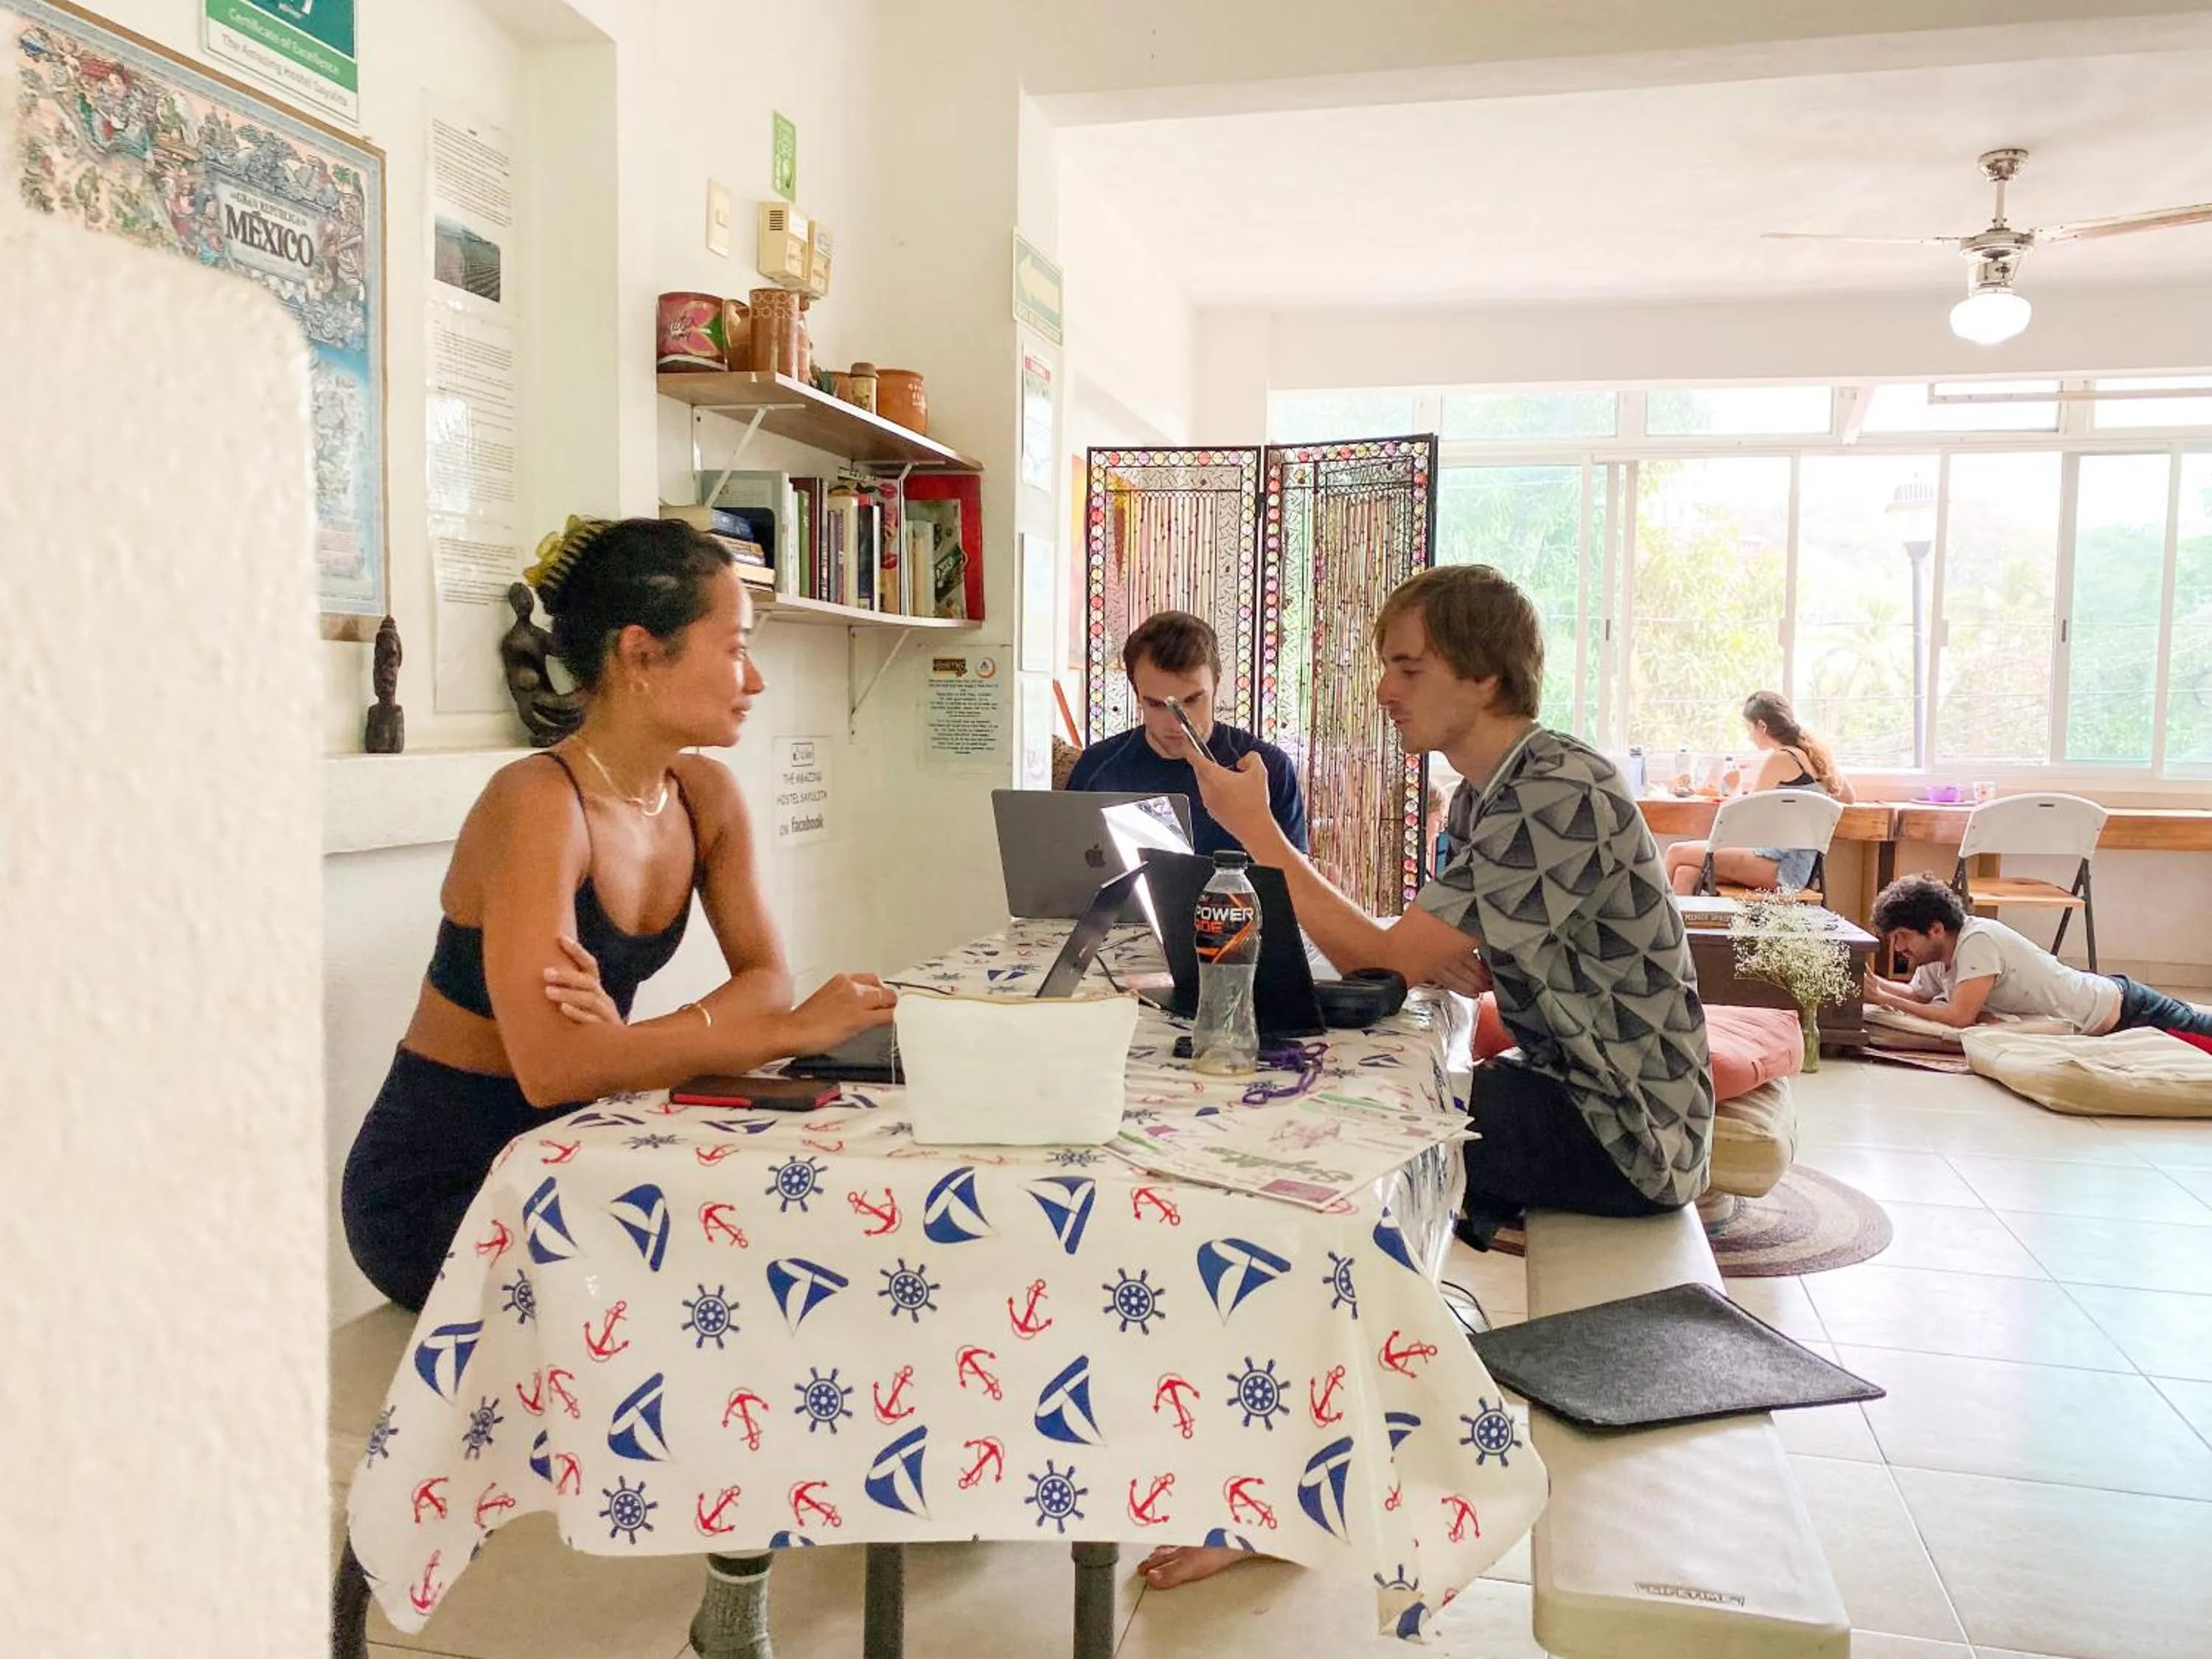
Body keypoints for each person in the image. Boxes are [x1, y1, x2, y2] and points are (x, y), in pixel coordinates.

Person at [1141, 563, 1714, 1593]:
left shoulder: (1556, 790)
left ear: (1484, 676)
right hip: (1567, 1089)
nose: (1384, 690)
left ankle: (1293, 1482)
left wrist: (1260, 833)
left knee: (1336, 1180)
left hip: (1629, 1134)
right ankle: (1338, 1412)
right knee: (1357, 1142)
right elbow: (1421, 950)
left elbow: (1383, 959)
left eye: (1409, 667)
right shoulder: (1491, 792)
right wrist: (1422, 952)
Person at [341, 515, 898, 1314]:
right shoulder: (536, 802)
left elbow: (767, 981)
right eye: (735, 648)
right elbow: (553, 1069)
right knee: (714, 1291)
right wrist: (789, 1035)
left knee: (799, 1246)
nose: (755, 680)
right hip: (448, 1181)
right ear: (640, 655)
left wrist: (622, 1049)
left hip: (583, 1142)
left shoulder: (705, 796)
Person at [1065, 610, 1307, 857]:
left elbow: (1296, 880)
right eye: (1156, 704)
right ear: (1136, 693)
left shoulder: (1266, 771)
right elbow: (1065, 867)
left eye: (1192, 701)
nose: (1176, 723)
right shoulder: (1096, 767)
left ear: (1216, 683)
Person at [1865, 874, 2212, 1036]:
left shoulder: (1978, 941)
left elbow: (1959, 1017)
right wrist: (1871, 984)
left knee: (2202, 1033)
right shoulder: (1937, 957)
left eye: (1902, 937)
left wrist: (1883, 998)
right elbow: (1918, 995)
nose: (1899, 949)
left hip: (2130, 1012)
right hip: (2109, 1003)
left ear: (1935, 929)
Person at [1664, 690, 1856, 896]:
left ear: (1762, 726)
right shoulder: (1817, 757)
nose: (1750, 736)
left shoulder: (1781, 758)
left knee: (1676, 852)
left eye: (1750, 728)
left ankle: (1651, 916)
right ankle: (1674, 919)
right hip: (1798, 869)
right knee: (1686, 872)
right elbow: (1849, 797)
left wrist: (1729, 790)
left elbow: (1746, 814)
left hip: (1779, 868)